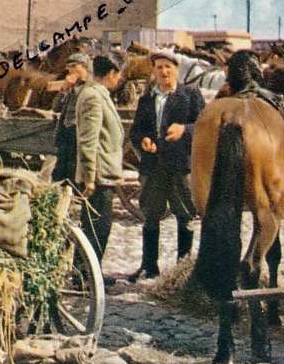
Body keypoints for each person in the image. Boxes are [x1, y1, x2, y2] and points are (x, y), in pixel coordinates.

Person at [128, 49, 205, 280]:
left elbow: (204, 125)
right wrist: (143, 141)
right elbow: (136, 131)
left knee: (185, 215)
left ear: (176, 70)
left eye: (168, 67)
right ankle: (149, 266)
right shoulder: (146, 100)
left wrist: (185, 129)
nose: (163, 72)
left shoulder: (190, 95)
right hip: (153, 167)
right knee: (151, 214)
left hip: (180, 166)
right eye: (159, 67)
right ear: (153, 71)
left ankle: (182, 269)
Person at [75, 53, 127, 270]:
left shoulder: (98, 94)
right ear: (112, 73)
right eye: (119, 75)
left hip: (102, 175)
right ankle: (87, 276)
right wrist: (89, 178)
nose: (120, 79)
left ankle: (87, 274)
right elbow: (88, 140)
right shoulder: (94, 97)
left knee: (97, 229)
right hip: (98, 177)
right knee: (97, 229)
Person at [50, 52, 93, 184]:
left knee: (73, 170)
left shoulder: (91, 86)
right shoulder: (71, 86)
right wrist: (63, 90)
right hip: (66, 132)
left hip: (80, 132)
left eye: (74, 67)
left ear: (84, 67)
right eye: (69, 68)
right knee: (59, 171)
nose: (71, 71)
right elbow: (55, 108)